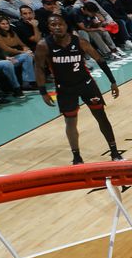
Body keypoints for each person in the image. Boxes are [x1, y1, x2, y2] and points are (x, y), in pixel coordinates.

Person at [33, 13, 123, 164]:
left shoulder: (79, 41)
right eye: (53, 25)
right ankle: (76, 157)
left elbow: (100, 60)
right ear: (49, 28)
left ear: (66, 26)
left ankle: (114, 152)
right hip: (65, 89)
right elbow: (39, 69)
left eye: (60, 24)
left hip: (86, 84)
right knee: (70, 122)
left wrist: (113, 82)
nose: (57, 27)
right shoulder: (44, 45)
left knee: (101, 117)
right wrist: (43, 91)